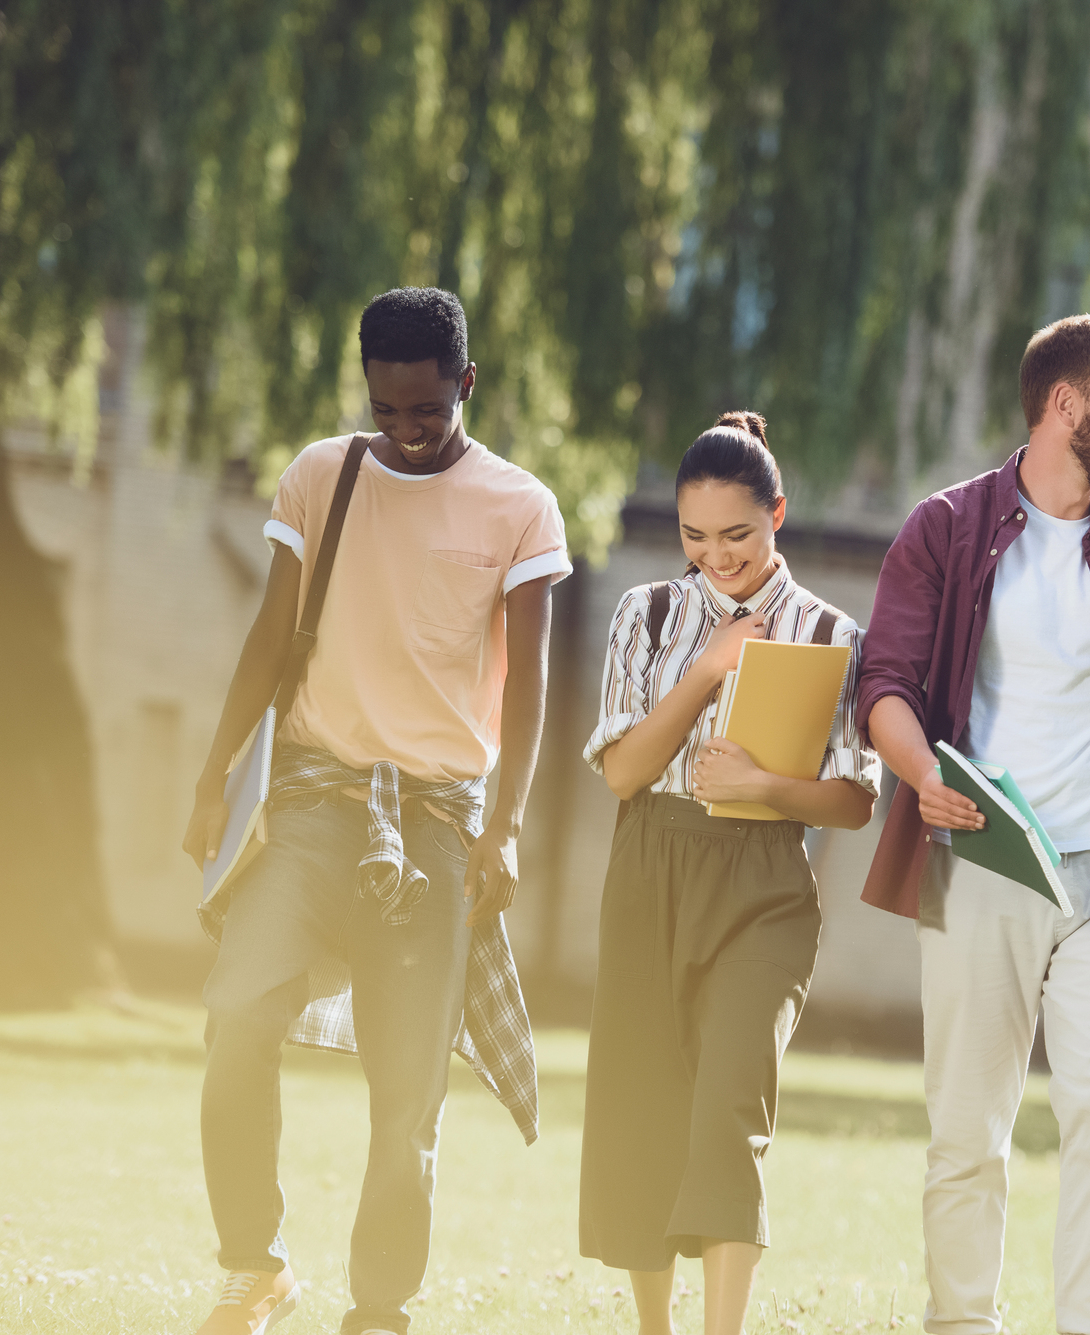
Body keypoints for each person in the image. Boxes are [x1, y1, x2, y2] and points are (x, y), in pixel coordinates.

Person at [180, 287, 571, 1335]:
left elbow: (530, 688)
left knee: (406, 1095)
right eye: (386, 409)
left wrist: (509, 828)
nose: (404, 432)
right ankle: (252, 1264)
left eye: (427, 413)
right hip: (309, 804)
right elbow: (270, 637)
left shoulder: (520, 507)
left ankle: (379, 1309)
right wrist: (216, 774)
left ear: (465, 385)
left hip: (437, 827)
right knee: (236, 1017)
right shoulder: (322, 474)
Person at [855, 314, 1090, 1335]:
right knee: (967, 1129)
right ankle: (961, 1323)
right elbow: (881, 681)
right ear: (1065, 407)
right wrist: (922, 775)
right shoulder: (948, 526)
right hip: (990, 854)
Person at [579, 410, 879, 1335]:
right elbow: (624, 771)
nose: (718, 557)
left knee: (729, 1108)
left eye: (739, 535)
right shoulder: (647, 613)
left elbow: (856, 797)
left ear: (778, 514)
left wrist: (766, 784)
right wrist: (709, 670)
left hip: (763, 882)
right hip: (651, 862)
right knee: (642, 1104)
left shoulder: (831, 632)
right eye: (695, 536)